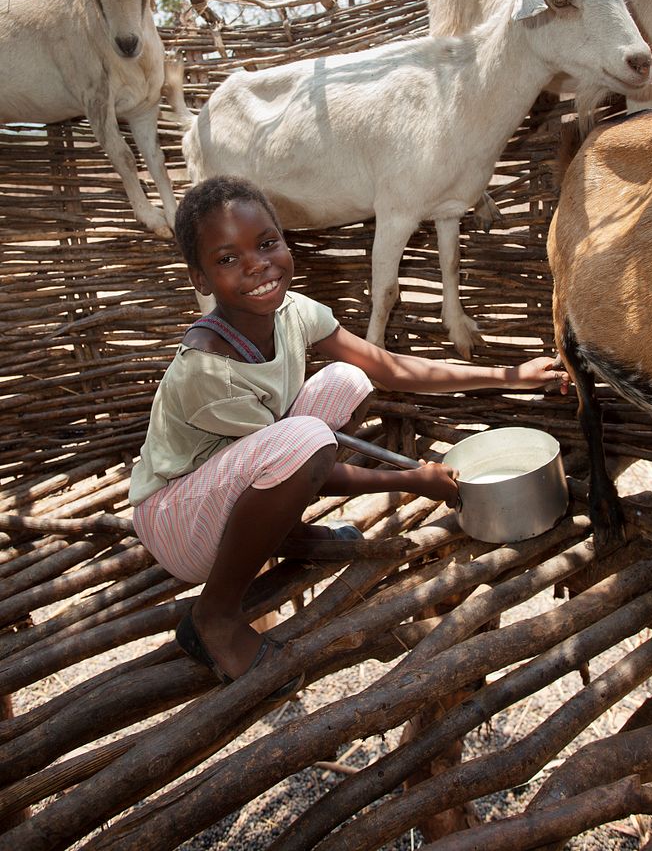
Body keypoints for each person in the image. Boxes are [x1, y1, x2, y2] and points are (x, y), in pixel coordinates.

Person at [129, 175, 568, 687]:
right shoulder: (209, 369)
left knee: (349, 380)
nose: (256, 265)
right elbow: (309, 461)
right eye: (227, 259)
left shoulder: (293, 314)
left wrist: (510, 376)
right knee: (304, 440)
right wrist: (411, 481)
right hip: (179, 523)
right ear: (200, 280)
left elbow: (390, 369)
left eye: (267, 243)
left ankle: (279, 531)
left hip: (228, 491)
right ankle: (215, 617)